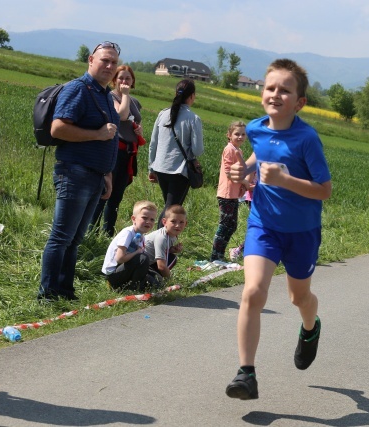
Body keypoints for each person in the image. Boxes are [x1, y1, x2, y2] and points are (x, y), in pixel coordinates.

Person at [225, 59, 332, 400]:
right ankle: (246, 373)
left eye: (285, 90)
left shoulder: (307, 139)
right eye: (270, 88)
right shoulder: (256, 129)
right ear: (262, 94)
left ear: (299, 102)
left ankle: (311, 328)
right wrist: (245, 172)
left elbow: (324, 190)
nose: (276, 94)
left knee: (298, 297)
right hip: (264, 225)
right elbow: (259, 154)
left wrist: (285, 180)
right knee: (253, 292)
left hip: (302, 232)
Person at [38, 41, 121, 301]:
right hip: (74, 172)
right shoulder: (79, 89)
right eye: (104, 60)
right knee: (61, 236)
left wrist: (107, 173)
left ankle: (64, 290)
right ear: (90, 60)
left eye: (113, 62)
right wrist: (97, 134)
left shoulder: (105, 94)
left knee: (74, 239)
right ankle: (47, 294)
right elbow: (58, 129)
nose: (109, 66)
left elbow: (109, 138)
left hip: (95, 175)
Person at [90, 65, 146, 236]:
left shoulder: (134, 101)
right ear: (114, 80)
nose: (124, 81)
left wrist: (139, 130)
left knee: (117, 196)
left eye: (128, 78)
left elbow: (133, 120)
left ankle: (108, 233)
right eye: (121, 78)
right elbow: (121, 115)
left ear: (133, 81)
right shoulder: (111, 96)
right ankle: (91, 231)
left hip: (128, 153)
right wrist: (126, 95)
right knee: (105, 192)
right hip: (114, 150)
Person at [148, 79, 204, 225]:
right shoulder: (193, 118)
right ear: (192, 96)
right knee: (171, 209)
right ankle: (156, 242)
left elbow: (153, 143)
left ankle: (163, 243)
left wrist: (151, 167)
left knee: (169, 205)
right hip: (179, 171)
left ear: (176, 93)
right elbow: (198, 150)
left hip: (160, 167)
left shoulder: (163, 114)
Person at [210, 121, 251, 261]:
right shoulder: (229, 149)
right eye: (237, 134)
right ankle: (216, 255)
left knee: (232, 225)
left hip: (233, 193)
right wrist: (244, 182)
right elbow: (228, 172)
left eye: (243, 134)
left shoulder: (239, 151)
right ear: (229, 135)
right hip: (226, 193)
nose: (240, 137)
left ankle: (220, 254)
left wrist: (241, 186)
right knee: (225, 224)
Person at [101, 200, 160, 291]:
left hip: (125, 268)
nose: (148, 222)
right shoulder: (128, 233)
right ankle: (133, 288)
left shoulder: (141, 235)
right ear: (133, 219)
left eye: (152, 219)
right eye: (144, 218)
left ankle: (135, 284)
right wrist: (137, 252)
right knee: (143, 258)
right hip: (113, 274)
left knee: (156, 282)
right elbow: (119, 258)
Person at [144, 204, 187, 282]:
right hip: (141, 265)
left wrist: (172, 249)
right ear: (164, 222)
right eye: (173, 221)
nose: (177, 225)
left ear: (185, 224)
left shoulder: (172, 234)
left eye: (181, 222)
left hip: (150, 262)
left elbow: (163, 250)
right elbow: (161, 266)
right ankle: (157, 278)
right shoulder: (161, 238)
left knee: (172, 257)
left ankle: (157, 277)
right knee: (172, 259)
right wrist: (171, 281)